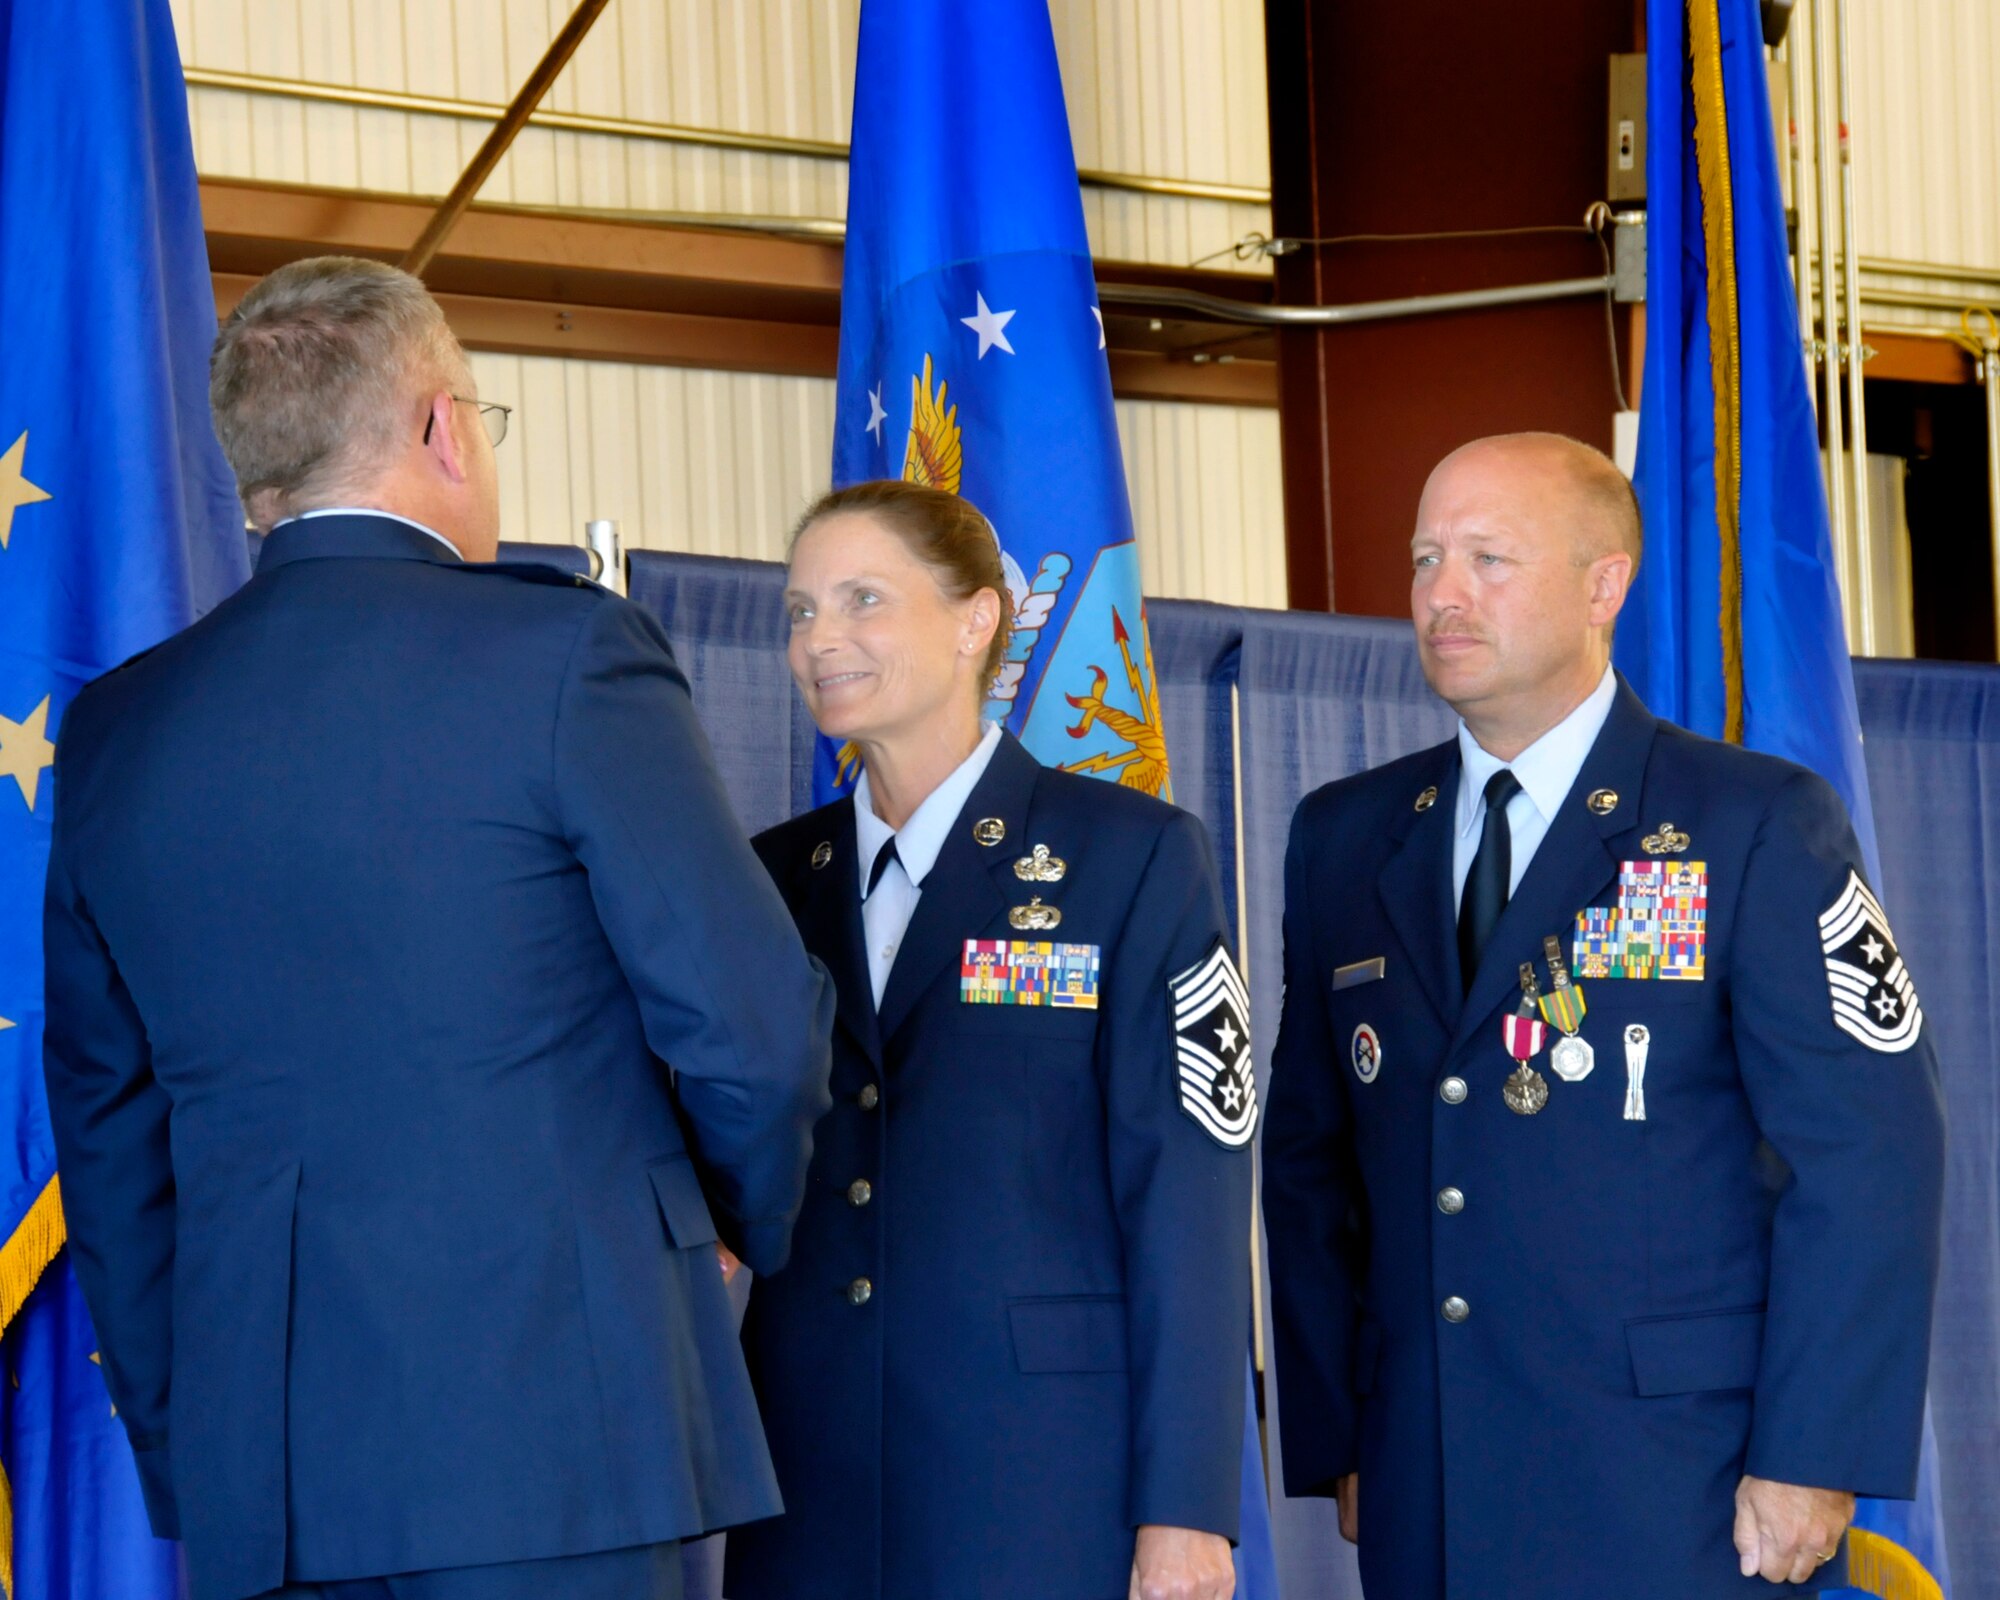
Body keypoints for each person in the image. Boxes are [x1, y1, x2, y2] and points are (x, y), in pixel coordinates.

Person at [41, 256, 835, 1600]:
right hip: (558, 1448)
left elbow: (108, 1144)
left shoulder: (119, 731)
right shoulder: (569, 660)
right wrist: (729, 1226)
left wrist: (201, 1449)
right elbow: (748, 1032)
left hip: (270, 1483)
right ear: (439, 426)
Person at [1261, 433, 1947, 1600]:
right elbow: (1310, 1160)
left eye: (1488, 557)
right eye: (1425, 558)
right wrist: (1343, 1432)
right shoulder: (1344, 835)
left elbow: (1866, 1155)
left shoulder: (1751, 822)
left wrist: (1814, 1455)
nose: (1441, 594)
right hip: (1423, 1473)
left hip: (1678, 1486)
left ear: (1602, 583)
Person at [724, 480, 1252, 1600]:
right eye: (798, 610)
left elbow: (1188, 1193)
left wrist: (1186, 1505)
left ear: (975, 621)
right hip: (806, 1479)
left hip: (1040, 1479)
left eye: (861, 599)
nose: (820, 639)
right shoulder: (768, 878)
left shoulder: (1132, 856)